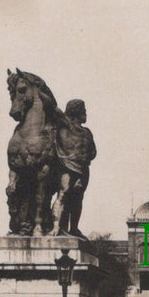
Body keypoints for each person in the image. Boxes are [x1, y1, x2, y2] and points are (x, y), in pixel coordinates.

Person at [52, 99, 97, 238]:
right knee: (63, 193)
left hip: (83, 168)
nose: (86, 114)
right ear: (76, 112)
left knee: (78, 198)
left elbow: (93, 152)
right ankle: (56, 227)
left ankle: (74, 229)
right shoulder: (64, 126)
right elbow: (54, 110)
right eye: (83, 111)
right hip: (68, 166)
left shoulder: (87, 132)